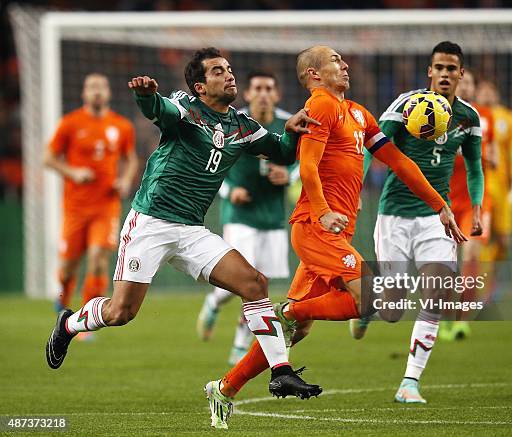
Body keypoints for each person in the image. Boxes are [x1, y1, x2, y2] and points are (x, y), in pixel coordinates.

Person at [44, 47, 323, 430]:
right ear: (199, 85)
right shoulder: (186, 108)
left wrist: (291, 133)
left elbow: (282, 153)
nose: (229, 75)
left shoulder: (243, 127)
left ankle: (281, 370)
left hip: (192, 230)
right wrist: (145, 95)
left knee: (254, 283)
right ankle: (69, 324)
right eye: (218, 71)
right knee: (121, 313)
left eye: (229, 69)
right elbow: (159, 110)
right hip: (151, 223)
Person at [209, 44, 467, 428]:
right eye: (335, 61)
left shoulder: (358, 114)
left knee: (294, 332)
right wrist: (323, 209)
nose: (345, 64)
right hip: (315, 228)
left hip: (331, 231)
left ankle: (223, 388)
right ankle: (293, 310)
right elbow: (308, 167)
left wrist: (440, 205)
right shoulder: (321, 106)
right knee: (371, 297)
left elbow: (399, 161)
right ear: (314, 74)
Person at [351, 42, 485, 403]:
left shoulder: (469, 117)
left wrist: (476, 207)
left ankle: (409, 382)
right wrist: (356, 189)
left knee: (437, 291)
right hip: (394, 214)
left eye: (451, 68)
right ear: (429, 72)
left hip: (437, 217)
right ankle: (369, 302)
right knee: (393, 309)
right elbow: (372, 144)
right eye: (438, 67)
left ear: (461, 74)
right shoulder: (406, 105)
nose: (444, 73)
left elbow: (474, 165)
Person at [196, 71, 298, 365]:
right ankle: (222, 314)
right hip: (240, 215)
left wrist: (289, 175)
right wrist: (230, 191)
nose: (264, 93)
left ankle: (235, 335)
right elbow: (210, 166)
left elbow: (305, 158)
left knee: (259, 285)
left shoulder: (288, 123)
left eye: (269, 87)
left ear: (276, 95)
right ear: (249, 94)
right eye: (258, 88)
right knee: (243, 282)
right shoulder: (231, 122)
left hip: (272, 217)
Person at [44, 73, 138, 342]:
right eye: (92, 87)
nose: (97, 92)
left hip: (105, 207)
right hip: (75, 207)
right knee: (67, 268)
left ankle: (84, 320)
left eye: (101, 87)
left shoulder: (121, 126)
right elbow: (48, 158)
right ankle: (62, 303)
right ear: (84, 93)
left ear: (108, 93)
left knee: (98, 259)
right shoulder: (70, 123)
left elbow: (131, 159)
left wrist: (124, 180)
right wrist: (72, 172)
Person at [441, 68, 493, 341]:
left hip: (477, 201)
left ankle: (462, 320)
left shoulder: (485, 120)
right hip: (446, 201)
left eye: (470, 82)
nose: (465, 87)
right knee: (446, 264)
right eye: (462, 82)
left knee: (472, 256)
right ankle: (445, 317)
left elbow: (491, 157)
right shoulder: (435, 115)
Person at [476, 79, 512, 263]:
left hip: (503, 188)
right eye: (483, 89)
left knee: (504, 241)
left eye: (491, 88)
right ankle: (477, 282)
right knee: (478, 238)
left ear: (497, 94)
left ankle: (487, 275)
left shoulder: (509, 118)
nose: (487, 93)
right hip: (479, 188)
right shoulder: (469, 116)